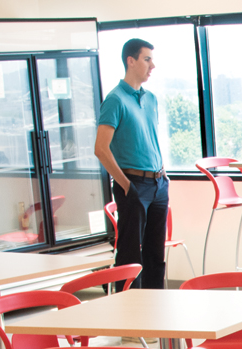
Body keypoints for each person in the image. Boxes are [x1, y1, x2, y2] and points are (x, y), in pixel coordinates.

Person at [95, 38, 168, 290]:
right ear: (131, 61)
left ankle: (156, 317)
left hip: (159, 184)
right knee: (129, 256)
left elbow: (148, 139)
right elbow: (101, 149)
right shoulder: (115, 100)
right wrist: (126, 185)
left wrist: (163, 174)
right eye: (147, 59)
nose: (152, 65)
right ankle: (129, 322)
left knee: (155, 257)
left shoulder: (151, 99)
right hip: (133, 184)